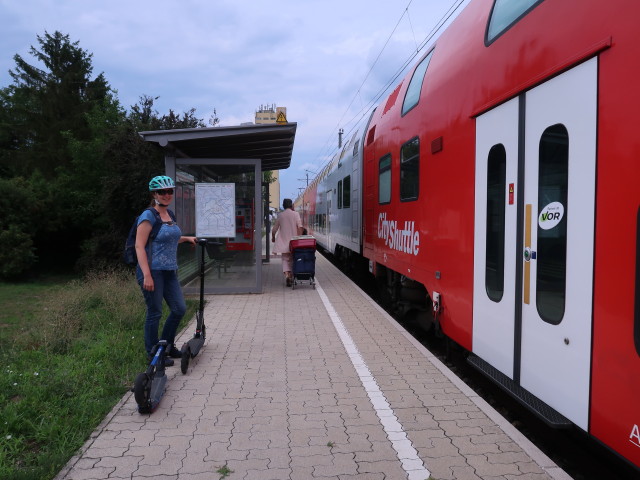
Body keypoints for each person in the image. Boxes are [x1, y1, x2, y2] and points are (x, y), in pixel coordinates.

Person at [135, 175, 197, 366]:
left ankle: (167, 347)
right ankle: (153, 355)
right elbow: (139, 246)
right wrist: (146, 274)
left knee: (179, 309)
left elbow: (167, 239)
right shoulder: (148, 216)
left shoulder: (169, 214)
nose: (167, 195)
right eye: (162, 192)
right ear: (154, 194)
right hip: (153, 271)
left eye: (170, 191)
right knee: (155, 312)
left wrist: (186, 238)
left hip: (170, 271)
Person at [271, 198, 303, 286]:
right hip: (294, 243)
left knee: (285, 260)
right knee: (293, 259)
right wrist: (299, 238)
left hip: (283, 243)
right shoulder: (296, 214)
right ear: (291, 205)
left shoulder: (281, 215)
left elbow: (274, 229)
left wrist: (273, 237)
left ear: (284, 205)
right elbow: (300, 227)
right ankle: (292, 275)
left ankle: (287, 275)